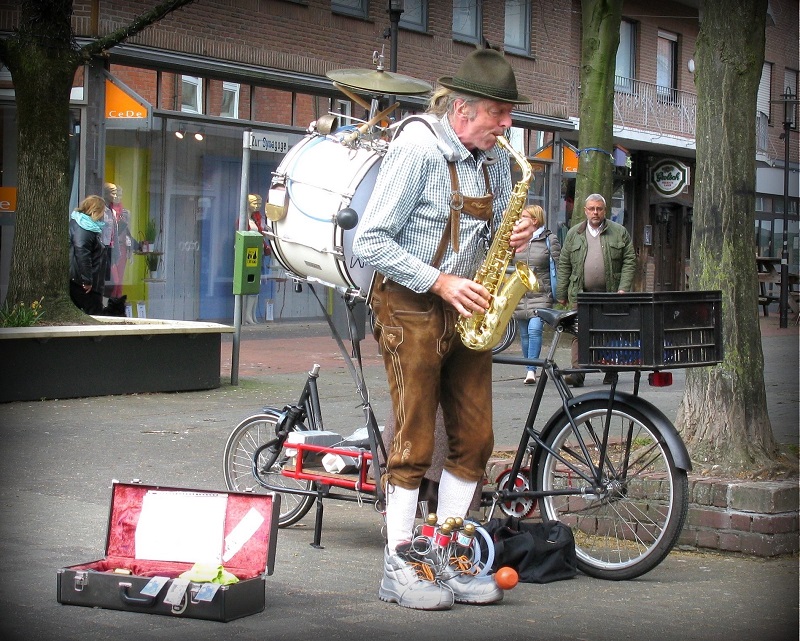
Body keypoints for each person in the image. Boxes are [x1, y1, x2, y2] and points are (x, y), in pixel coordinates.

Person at [352, 48, 535, 611]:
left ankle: (447, 550)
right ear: (462, 109)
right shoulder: (416, 149)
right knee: (413, 442)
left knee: (477, 439)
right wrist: (440, 282)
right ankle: (399, 564)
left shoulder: (497, 156)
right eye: (499, 114)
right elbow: (370, 242)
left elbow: (509, 216)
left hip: (467, 304)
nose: (508, 126)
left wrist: (526, 227)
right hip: (410, 302)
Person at [556, 193, 636, 387]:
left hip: (610, 293)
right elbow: (565, 263)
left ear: (604, 210)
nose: (595, 212)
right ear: (585, 211)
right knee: (579, 332)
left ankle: (610, 371)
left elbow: (630, 260)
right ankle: (578, 372)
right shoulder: (574, 233)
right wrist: (561, 293)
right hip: (580, 293)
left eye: (599, 209)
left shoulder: (619, 232)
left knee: (608, 332)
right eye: (591, 209)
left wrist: (623, 288)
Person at [512, 204, 561, 384]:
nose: (519, 219)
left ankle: (532, 370)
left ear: (534, 220)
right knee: (524, 334)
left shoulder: (550, 239)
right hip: (520, 294)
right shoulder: (516, 238)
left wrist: (560, 292)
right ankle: (529, 368)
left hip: (541, 294)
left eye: (523, 216)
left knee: (534, 329)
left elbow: (558, 267)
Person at [69, 195, 108, 315]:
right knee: (94, 313)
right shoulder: (84, 227)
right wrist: (87, 280)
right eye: (102, 211)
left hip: (82, 281)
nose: (103, 215)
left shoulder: (84, 225)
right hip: (83, 283)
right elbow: (82, 253)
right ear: (95, 211)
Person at [102, 182, 139, 298]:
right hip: (111, 248)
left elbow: (127, 233)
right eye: (116, 194)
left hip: (121, 248)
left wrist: (131, 248)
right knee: (114, 279)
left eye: (120, 195)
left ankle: (117, 300)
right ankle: (112, 300)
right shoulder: (107, 210)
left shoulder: (125, 213)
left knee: (120, 279)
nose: (118, 197)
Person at [240, 194, 268, 324]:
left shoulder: (257, 219)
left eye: (259, 204)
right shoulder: (243, 220)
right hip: (248, 255)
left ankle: (251, 314)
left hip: (258, 254)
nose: (257, 206)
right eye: (254, 203)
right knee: (248, 285)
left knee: (256, 285)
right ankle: (245, 315)